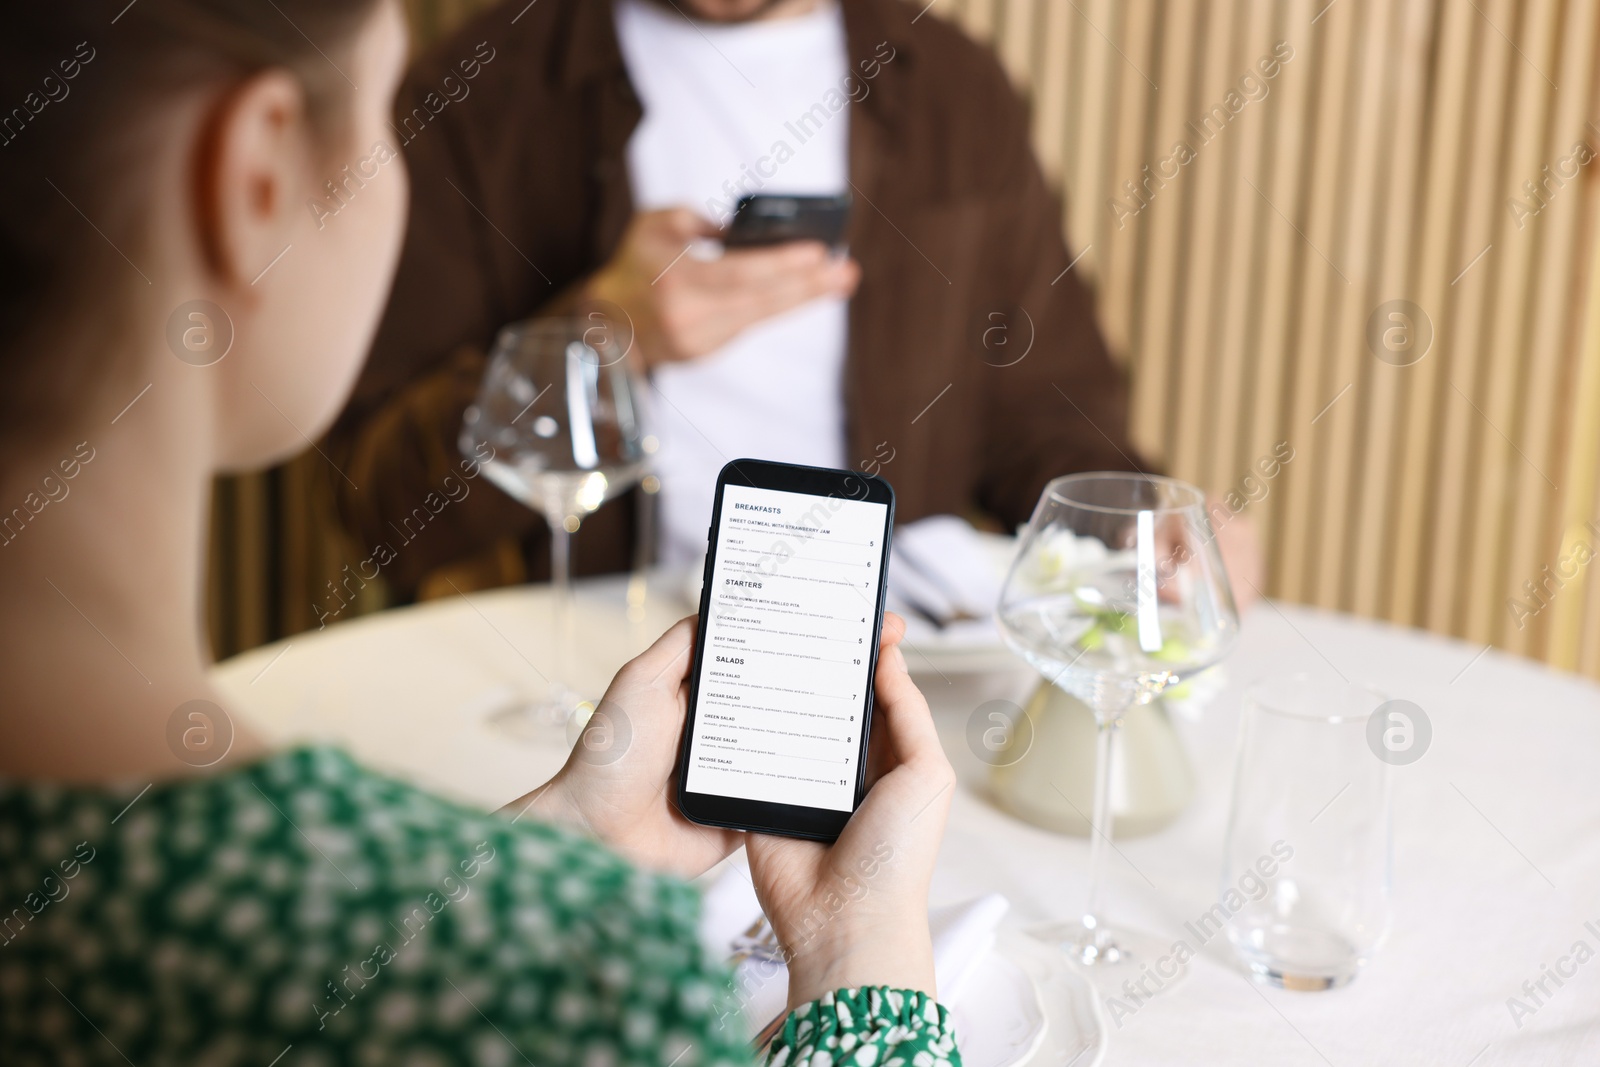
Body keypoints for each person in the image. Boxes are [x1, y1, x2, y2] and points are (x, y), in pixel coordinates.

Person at [0, 2, 960, 1063]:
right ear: (256, 178)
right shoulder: (578, 981)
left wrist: (563, 844)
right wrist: (862, 959)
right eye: (379, 119)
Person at [329, 0, 1175, 604]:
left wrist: (1144, 528)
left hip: (888, 669)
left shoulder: (953, 90)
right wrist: (601, 340)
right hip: (601, 673)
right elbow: (385, 510)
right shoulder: (483, 93)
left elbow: (1041, 419)